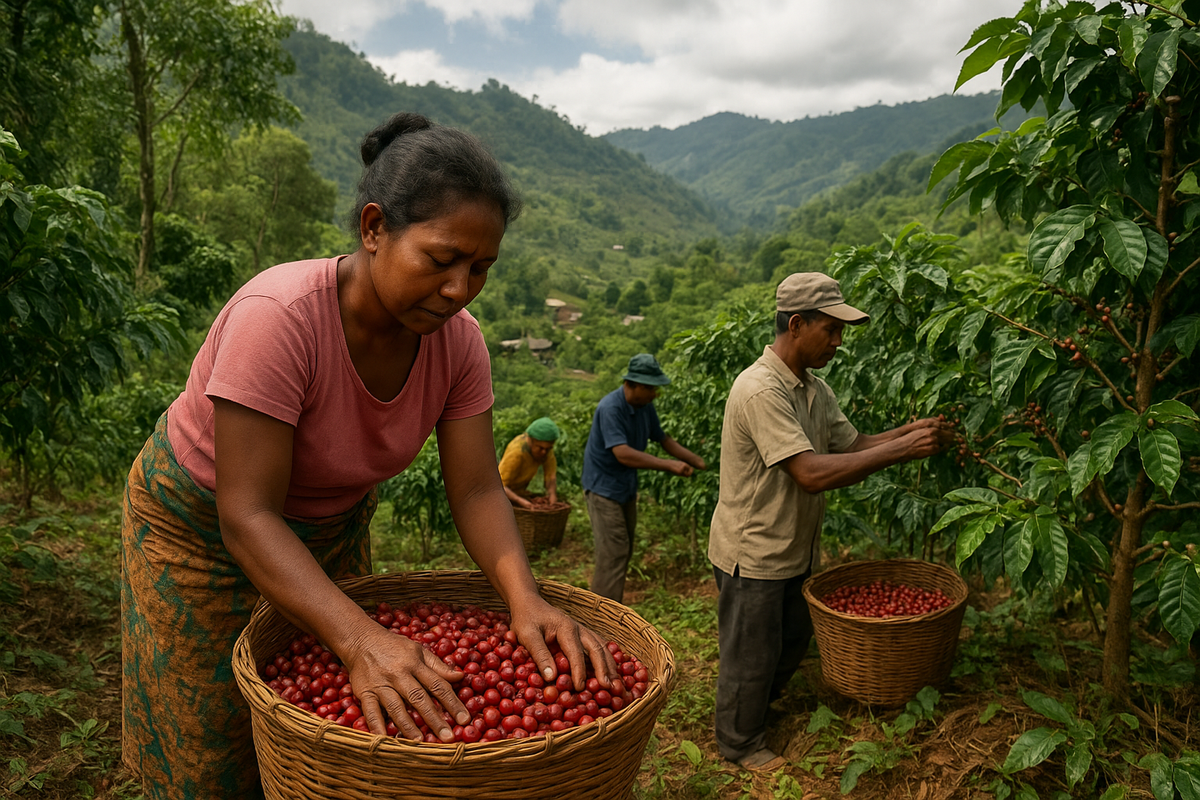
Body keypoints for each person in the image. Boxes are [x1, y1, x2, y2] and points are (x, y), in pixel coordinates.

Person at [120, 112, 621, 800]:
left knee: (345, 732)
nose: (459, 289)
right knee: (209, 740)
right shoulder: (278, 318)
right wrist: (358, 640)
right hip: (202, 530)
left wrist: (523, 598)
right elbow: (248, 513)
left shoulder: (460, 344)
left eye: (480, 269)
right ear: (374, 228)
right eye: (442, 260)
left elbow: (477, 489)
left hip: (329, 529)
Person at [707, 272, 954, 771]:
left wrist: (911, 432)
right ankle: (738, 743)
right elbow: (810, 473)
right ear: (796, 324)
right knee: (750, 654)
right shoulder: (760, 389)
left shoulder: (814, 388)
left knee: (792, 638)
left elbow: (854, 444)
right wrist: (905, 448)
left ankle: (757, 711)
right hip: (752, 550)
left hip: (793, 546)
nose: (839, 342)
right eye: (831, 330)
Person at [581, 353, 706, 602]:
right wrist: (670, 466)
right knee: (614, 552)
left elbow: (663, 439)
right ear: (630, 384)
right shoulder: (610, 408)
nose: (654, 394)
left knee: (622, 551)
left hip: (625, 488)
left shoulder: (645, 408)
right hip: (603, 489)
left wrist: (698, 462)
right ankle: (601, 615)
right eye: (649, 388)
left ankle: (608, 607)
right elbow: (623, 454)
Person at [498, 417, 559, 508]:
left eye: (548, 448)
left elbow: (550, 476)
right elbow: (499, 486)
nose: (544, 452)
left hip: (520, 491)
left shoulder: (546, 451)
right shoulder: (516, 453)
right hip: (503, 495)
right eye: (540, 448)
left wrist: (552, 495)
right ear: (530, 440)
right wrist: (521, 501)